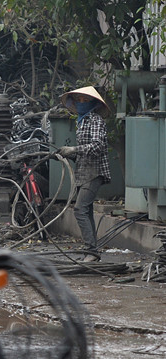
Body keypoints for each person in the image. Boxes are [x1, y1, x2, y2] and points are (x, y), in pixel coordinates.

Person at [57, 86, 111, 262]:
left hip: (94, 171)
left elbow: (97, 146)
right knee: (85, 211)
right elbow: (83, 151)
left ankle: (91, 250)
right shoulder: (81, 121)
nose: (81, 103)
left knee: (80, 209)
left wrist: (74, 148)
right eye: (78, 100)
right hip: (83, 171)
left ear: (93, 103)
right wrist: (67, 154)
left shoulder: (95, 120)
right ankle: (92, 252)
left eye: (85, 100)